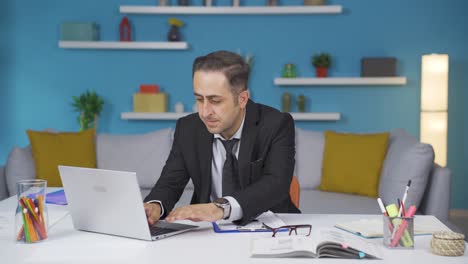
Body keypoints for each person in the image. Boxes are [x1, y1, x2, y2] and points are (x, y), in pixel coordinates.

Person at [144, 50, 300, 226]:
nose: (204, 112)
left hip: (269, 227)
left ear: (242, 99)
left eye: (215, 101)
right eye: (199, 99)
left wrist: (220, 208)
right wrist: (154, 205)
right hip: (207, 231)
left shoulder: (276, 124)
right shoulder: (188, 128)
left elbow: (276, 184)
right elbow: (170, 183)